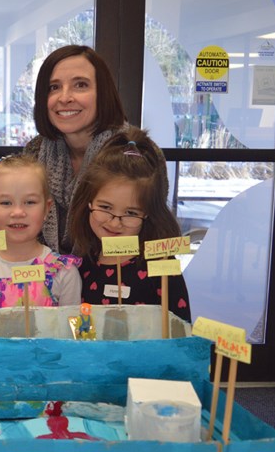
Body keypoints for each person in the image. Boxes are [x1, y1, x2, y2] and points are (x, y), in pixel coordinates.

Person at [68, 127, 192, 321]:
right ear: (89, 203)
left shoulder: (162, 266)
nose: (115, 222)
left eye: (131, 213)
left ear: (148, 214)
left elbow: (181, 329)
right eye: (106, 207)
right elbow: (78, 325)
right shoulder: (83, 263)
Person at [22, 45, 131, 254]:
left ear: (103, 93)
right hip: (46, 278)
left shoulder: (134, 152)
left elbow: (151, 234)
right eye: (54, 87)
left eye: (80, 85)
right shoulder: (34, 154)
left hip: (115, 279)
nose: (64, 98)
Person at [0, 153, 81, 308]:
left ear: (46, 209)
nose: (18, 212)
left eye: (30, 202)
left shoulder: (63, 273)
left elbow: (73, 327)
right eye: (6, 202)